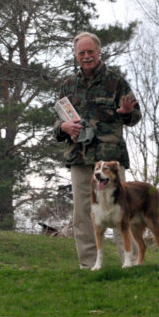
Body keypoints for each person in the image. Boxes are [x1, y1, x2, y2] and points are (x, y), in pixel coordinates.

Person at [53, 32, 142, 269]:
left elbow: (136, 116)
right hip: (80, 158)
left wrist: (126, 113)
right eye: (81, 53)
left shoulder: (116, 81)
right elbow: (56, 123)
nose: (86, 56)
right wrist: (64, 126)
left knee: (121, 210)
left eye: (90, 51)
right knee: (83, 213)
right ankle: (89, 266)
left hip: (110, 160)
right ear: (76, 55)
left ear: (99, 51)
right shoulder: (67, 85)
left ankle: (129, 263)